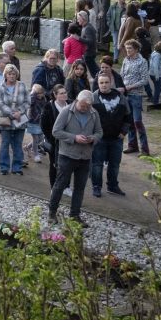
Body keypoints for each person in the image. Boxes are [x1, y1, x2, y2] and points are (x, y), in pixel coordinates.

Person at [47, 90, 102, 226]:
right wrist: (74, 138)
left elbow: (99, 132)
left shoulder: (94, 113)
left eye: (87, 107)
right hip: (67, 156)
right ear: (77, 101)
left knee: (80, 187)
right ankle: (52, 213)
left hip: (85, 157)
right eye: (82, 106)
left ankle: (75, 215)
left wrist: (93, 138)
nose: (84, 109)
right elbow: (56, 131)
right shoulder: (66, 112)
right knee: (59, 185)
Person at [90, 73, 130, 197]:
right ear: (98, 83)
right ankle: (96, 186)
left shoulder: (121, 97)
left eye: (106, 82)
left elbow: (128, 117)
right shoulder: (93, 98)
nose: (104, 85)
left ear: (111, 82)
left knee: (114, 164)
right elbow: (88, 119)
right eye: (101, 83)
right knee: (97, 164)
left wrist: (124, 132)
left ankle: (112, 186)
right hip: (100, 138)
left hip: (117, 138)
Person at [0, 63, 29, 175]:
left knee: (18, 144)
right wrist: (12, 113)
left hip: (20, 120)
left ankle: (17, 167)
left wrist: (20, 112)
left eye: (14, 74)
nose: (12, 76)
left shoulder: (22, 85)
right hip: (6, 119)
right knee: (5, 143)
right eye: (9, 74)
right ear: (5, 75)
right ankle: (4, 167)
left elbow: (28, 101)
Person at [119, 39, 151, 155]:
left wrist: (130, 87)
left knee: (137, 121)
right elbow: (122, 75)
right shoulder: (125, 60)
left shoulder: (142, 62)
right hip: (125, 95)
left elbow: (145, 80)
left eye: (130, 48)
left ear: (136, 49)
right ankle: (132, 145)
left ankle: (145, 149)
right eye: (126, 48)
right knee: (129, 121)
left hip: (136, 95)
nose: (128, 51)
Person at [41, 83, 68, 187]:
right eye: (61, 93)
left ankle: (66, 186)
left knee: (67, 166)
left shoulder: (70, 105)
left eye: (65, 92)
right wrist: (52, 139)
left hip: (67, 141)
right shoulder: (48, 107)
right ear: (55, 95)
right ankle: (53, 186)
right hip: (54, 142)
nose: (64, 95)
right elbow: (44, 126)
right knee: (54, 165)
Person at [148, 40, 161, 105]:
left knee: (158, 88)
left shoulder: (154, 53)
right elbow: (155, 65)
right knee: (158, 89)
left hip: (153, 74)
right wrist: (157, 76)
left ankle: (155, 100)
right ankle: (155, 102)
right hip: (156, 74)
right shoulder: (157, 55)